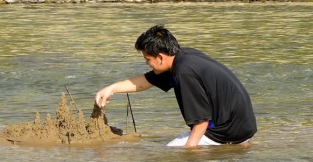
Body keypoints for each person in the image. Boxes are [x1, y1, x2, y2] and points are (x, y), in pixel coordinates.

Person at [95, 25, 256, 148]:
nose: (146, 63)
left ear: (160, 57)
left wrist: (190, 151)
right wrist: (111, 88)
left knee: (171, 155)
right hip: (244, 126)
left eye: (147, 59)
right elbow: (144, 82)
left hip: (227, 131)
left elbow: (201, 120)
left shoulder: (183, 73)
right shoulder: (184, 57)